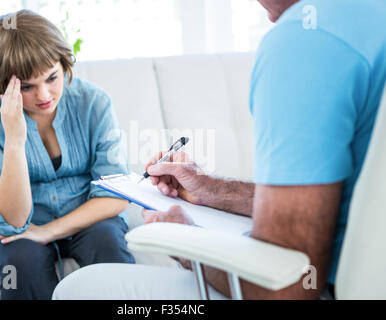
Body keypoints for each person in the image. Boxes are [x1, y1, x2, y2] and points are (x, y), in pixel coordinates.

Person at [52, 0, 386, 300]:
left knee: (79, 289)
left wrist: (186, 244)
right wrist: (212, 189)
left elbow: (284, 290)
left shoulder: (303, 39)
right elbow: (331, 200)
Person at [0, 10, 135, 300]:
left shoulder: (93, 103)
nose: (44, 95)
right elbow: (13, 222)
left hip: (87, 216)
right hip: (23, 225)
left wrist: (48, 232)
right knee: (21, 263)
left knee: (108, 244)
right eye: (27, 86)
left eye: (52, 78)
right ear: (3, 85)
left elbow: (117, 193)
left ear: (64, 64)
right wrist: (15, 140)